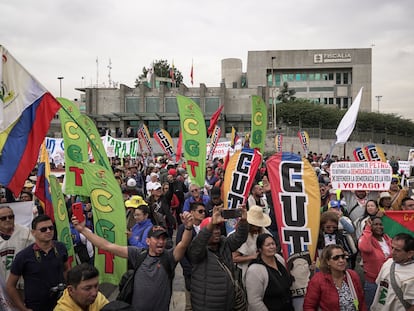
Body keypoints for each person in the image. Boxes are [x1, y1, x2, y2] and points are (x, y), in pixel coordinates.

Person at [72, 212, 194, 311]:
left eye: (163, 238)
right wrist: (82, 230)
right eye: (157, 238)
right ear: (147, 241)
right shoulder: (138, 254)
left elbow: (183, 244)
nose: (161, 242)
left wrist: (188, 227)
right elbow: (106, 246)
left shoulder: (169, 258)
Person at [187, 205, 248, 311]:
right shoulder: (199, 251)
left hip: (227, 305)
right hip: (206, 306)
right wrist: (211, 224)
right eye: (213, 228)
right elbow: (196, 247)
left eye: (218, 227)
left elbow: (239, 238)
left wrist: (243, 221)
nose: (217, 231)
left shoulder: (225, 243)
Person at [6, 215, 69, 311]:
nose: (48, 231)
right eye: (43, 229)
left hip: (62, 304)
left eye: (51, 228)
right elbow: (10, 286)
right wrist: (22, 308)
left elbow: (67, 270)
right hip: (37, 307)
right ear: (33, 232)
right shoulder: (23, 256)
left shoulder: (61, 247)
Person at [303, 244, 366, 311]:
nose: (341, 260)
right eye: (336, 258)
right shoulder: (318, 280)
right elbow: (308, 306)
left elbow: (361, 302)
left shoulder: (352, 275)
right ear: (327, 261)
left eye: (343, 257)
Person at [245, 233, 293, 311]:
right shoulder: (255, 270)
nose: (272, 247)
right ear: (260, 249)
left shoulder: (279, 259)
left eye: (273, 244)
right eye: (267, 245)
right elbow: (254, 301)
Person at [371, 233, 414, 311]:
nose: (392, 252)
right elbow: (380, 287)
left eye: (397, 250)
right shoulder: (388, 263)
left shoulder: (412, 274)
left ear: (410, 254)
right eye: (392, 248)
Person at [176, 202, 206, 311]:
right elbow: (180, 251)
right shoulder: (182, 228)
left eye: (204, 211)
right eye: (200, 211)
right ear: (192, 212)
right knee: (190, 304)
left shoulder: (206, 227)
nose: (203, 214)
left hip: (204, 270)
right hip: (191, 272)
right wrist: (189, 269)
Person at [358, 217, 392, 309]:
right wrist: (367, 229)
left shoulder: (387, 239)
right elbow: (364, 248)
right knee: (370, 307)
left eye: (380, 224)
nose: (379, 226)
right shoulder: (366, 239)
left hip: (387, 281)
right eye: (375, 224)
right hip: (373, 282)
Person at [233, 205, 272, 282]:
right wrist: (252, 257)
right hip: (245, 270)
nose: (256, 228)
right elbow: (233, 258)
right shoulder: (242, 235)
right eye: (254, 226)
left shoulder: (263, 230)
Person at [0, 205, 34, 293]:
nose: (8, 220)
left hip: (23, 285)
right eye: (3, 218)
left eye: (10, 217)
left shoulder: (26, 233)